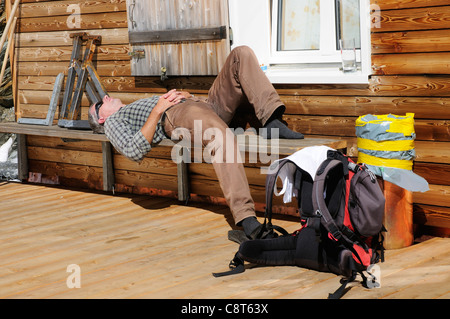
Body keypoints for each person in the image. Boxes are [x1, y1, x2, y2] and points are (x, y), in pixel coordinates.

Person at [88, 46, 304, 240]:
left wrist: (190, 96)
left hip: (203, 104)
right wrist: (158, 108)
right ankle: (246, 218)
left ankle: (272, 121)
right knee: (220, 136)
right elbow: (133, 151)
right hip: (177, 115)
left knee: (241, 54)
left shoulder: (126, 110)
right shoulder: (113, 123)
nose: (106, 98)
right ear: (101, 118)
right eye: (100, 103)